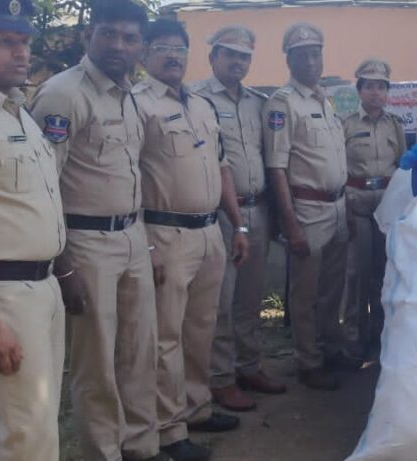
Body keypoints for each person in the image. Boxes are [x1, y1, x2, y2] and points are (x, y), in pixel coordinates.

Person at [29, 2, 166, 459]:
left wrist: (143, 240)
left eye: (129, 38)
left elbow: (130, 175)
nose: (118, 46)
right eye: (109, 34)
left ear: (141, 46)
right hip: (85, 244)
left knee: (140, 352)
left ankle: (141, 447)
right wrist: (64, 266)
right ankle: (102, 452)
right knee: (97, 364)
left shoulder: (129, 93)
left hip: (131, 238)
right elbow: (43, 187)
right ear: (90, 33)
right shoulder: (63, 95)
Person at [134, 19, 250, 461]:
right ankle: (168, 428)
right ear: (145, 53)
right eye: (162, 47)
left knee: (201, 328)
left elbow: (222, 168)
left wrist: (237, 225)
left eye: (179, 49)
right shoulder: (138, 105)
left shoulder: (201, 105)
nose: (172, 56)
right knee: (166, 334)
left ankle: (196, 406)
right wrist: (144, 242)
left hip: (209, 232)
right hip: (165, 232)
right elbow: (129, 176)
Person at [0, 1, 68, 459]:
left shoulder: (17, 112)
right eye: (3, 42)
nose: (20, 53)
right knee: (28, 433)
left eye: (24, 42)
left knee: (36, 423)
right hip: (2, 295)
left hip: (43, 287)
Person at [193, 24, 286, 413]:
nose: (238, 62)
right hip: (220, 215)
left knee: (252, 297)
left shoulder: (256, 102)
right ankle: (220, 378)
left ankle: (249, 366)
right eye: (230, 54)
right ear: (213, 56)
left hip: (259, 208)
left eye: (244, 56)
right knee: (222, 300)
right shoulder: (196, 99)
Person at [264, 22, 359, 391]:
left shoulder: (324, 99)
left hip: (335, 208)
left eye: (315, 52)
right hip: (307, 210)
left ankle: (331, 348)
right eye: (301, 53)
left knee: (332, 290)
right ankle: (307, 361)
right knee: (304, 294)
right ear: (289, 59)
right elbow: (277, 167)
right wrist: (291, 225)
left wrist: (346, 211)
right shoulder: (282, 103)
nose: (310, 60)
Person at [342, 59, 406, 355]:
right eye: (370, 86)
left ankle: (381, 336)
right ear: (360, 90)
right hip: (358, 204)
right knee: (357, 272)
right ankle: (354, 337)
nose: (376, 93)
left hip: (388, 203)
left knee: (385, 271)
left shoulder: (395, 124)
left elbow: (403, 166)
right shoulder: (346, 124)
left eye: (381, 87)